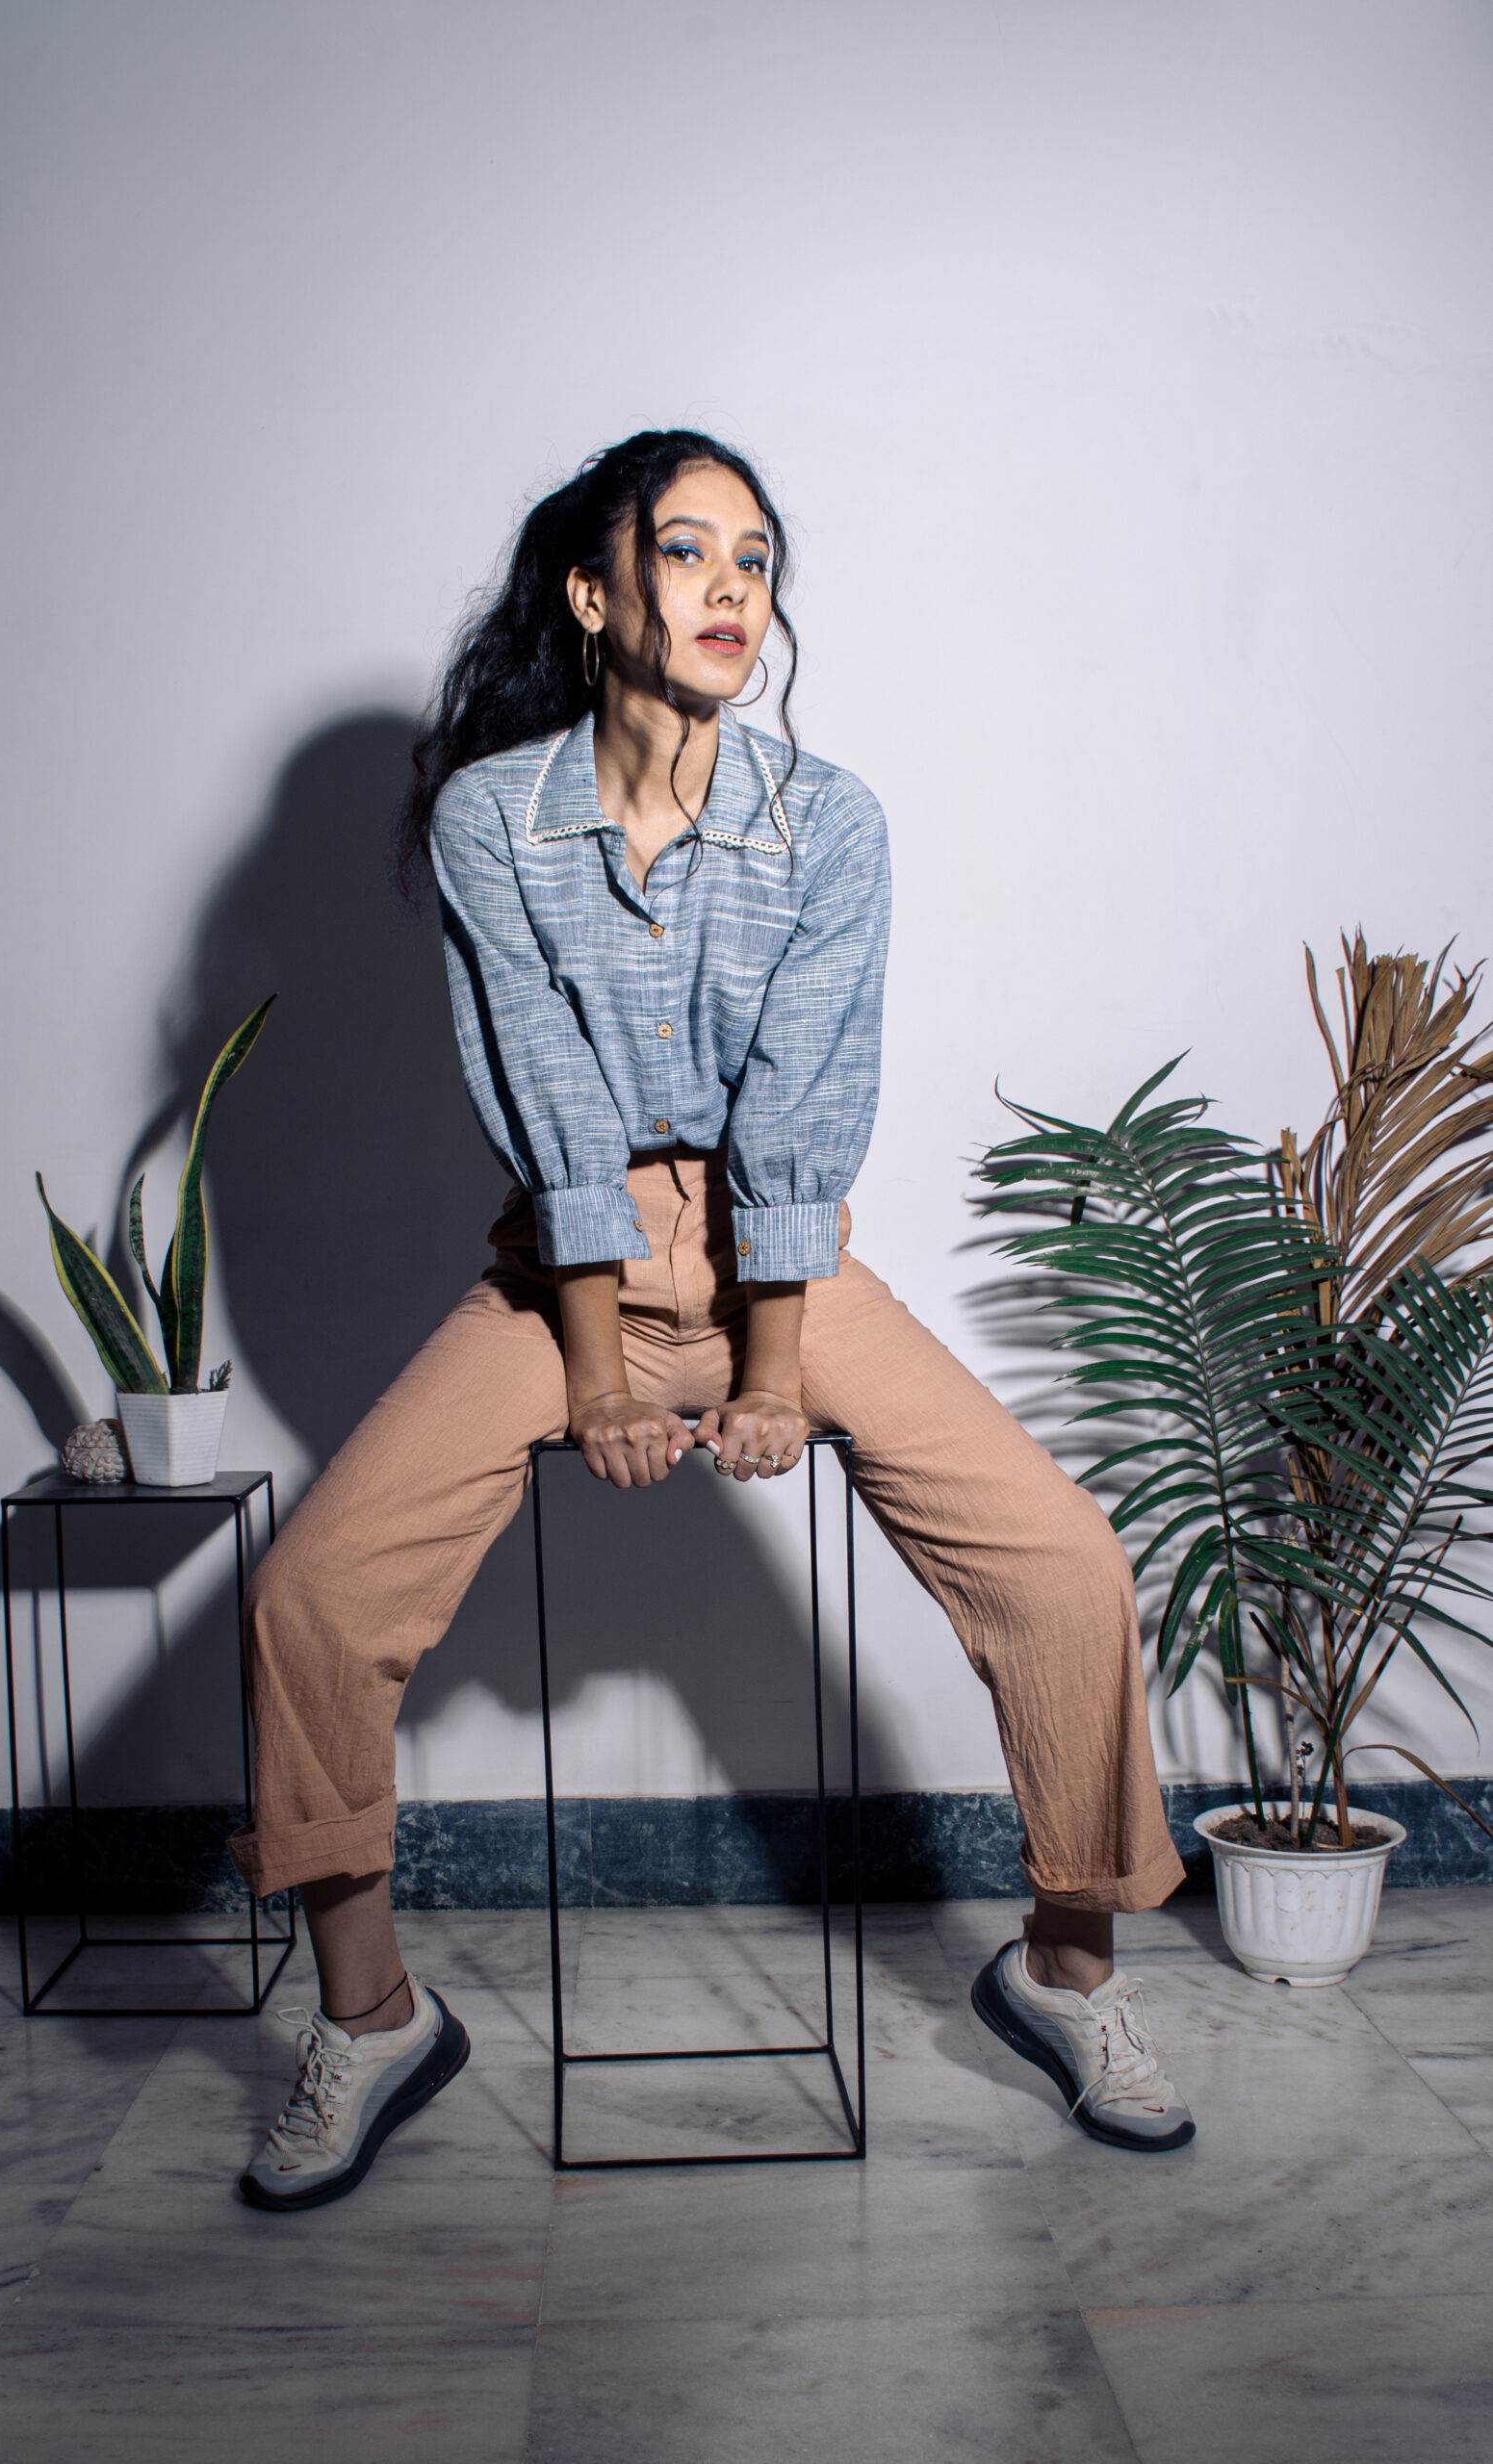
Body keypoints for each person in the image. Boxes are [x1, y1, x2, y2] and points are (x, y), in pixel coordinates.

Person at [232, 428, 1195, 2212]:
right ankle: (370, 2019)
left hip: (783, 1260)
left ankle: (1066, 1973)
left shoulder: (831, 822)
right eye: (686, 551)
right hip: (565, 1269)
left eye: (755, 557)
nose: (732, 586)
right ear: (595, 596)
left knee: (1066, 1568)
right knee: (311, 1597)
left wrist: (774, 1366)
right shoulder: (494, 820)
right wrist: (597, 1372)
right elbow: (546, 1094)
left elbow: (803, 1110)